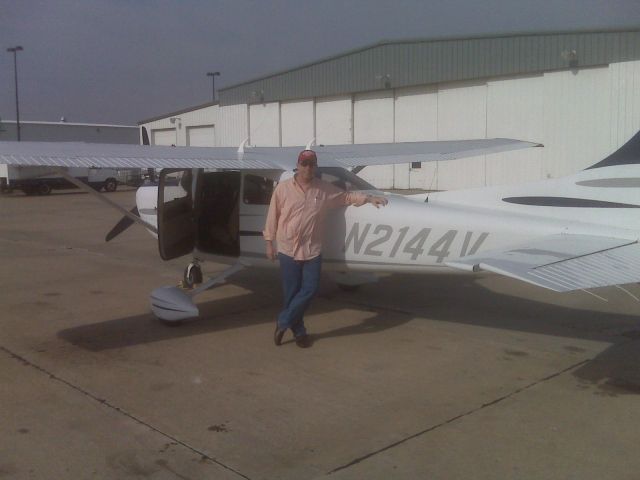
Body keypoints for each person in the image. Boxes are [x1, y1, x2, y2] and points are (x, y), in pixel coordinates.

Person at [263, 149, 388, 348]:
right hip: (287, 248)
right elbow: (273, 216)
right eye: (304, 163)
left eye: (312, 164)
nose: (308, 167)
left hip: (312, 248)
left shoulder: (323, 189)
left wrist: (368, 198)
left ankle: (283, 321)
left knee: (310, 290)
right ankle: (299, 332)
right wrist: (269, 242)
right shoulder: (283, 189)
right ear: (298, 165)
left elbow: (346, 197)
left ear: (316, 166)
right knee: (291, 293)